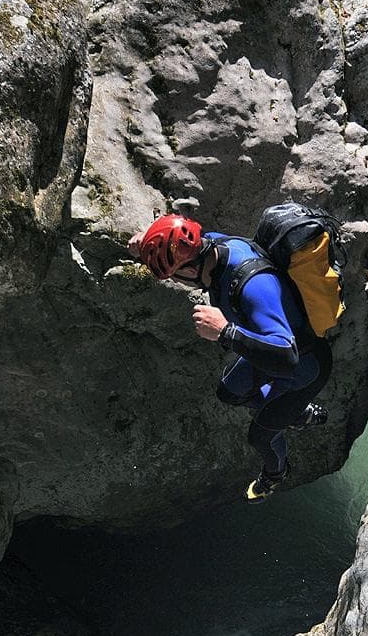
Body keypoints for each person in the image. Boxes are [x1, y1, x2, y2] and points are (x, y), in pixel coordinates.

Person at [128, 214, 332, 503]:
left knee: (259, 436)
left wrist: (225, 332)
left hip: (304, 366)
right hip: (266, 347)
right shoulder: (210, 245)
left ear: (189, 269)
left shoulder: (253, 285)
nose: (174, 281)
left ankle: (276, 474)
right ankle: (300, 415)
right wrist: (147, 239)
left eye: (173, 275)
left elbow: (287, 358)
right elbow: (179, 245)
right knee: (229, 391)